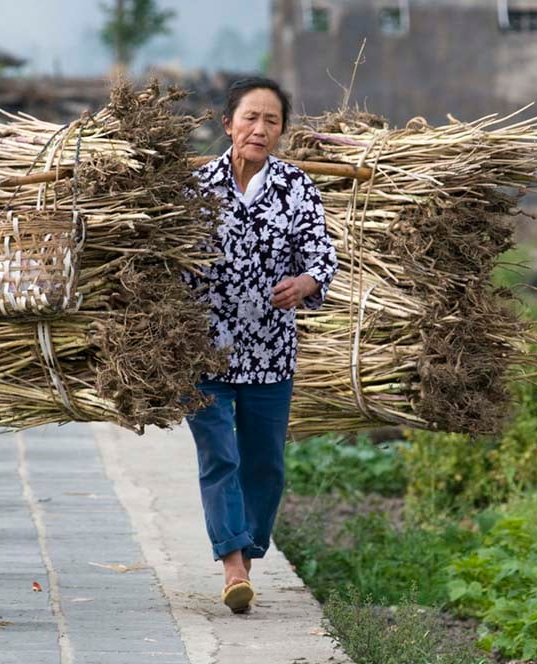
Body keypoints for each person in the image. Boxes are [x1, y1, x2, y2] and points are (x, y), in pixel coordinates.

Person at [184, 77, 338, 614]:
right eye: (250, 117)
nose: (260, 129)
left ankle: (244, 557)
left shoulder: (295, 187)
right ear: (227, 124)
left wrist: (306, 283)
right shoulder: (195, 188)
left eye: (271, 120)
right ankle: (232, 566)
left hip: (271, 353)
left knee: (265, 465)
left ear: (281, 131)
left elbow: (322, 254)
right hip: (204, 350)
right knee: (219, 456)